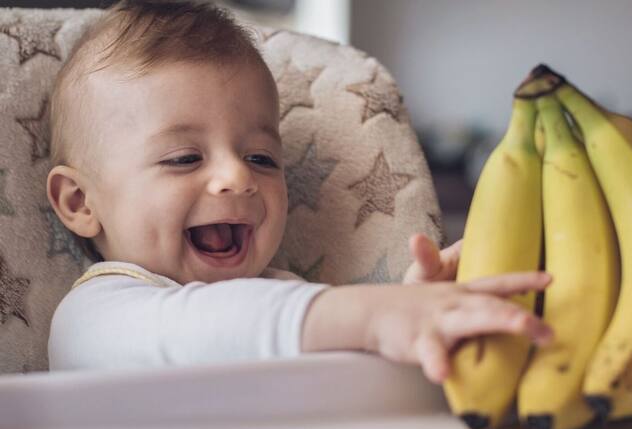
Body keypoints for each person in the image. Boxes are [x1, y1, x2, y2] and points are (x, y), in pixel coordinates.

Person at [46, 0, 553, 384]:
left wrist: (416, 314)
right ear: (79, 202)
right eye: (184, 158)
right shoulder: (94, 316)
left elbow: (341, 373)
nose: (239, 178)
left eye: (262, 158)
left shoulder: (289, 293)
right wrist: (373, 317)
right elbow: (210, 329)